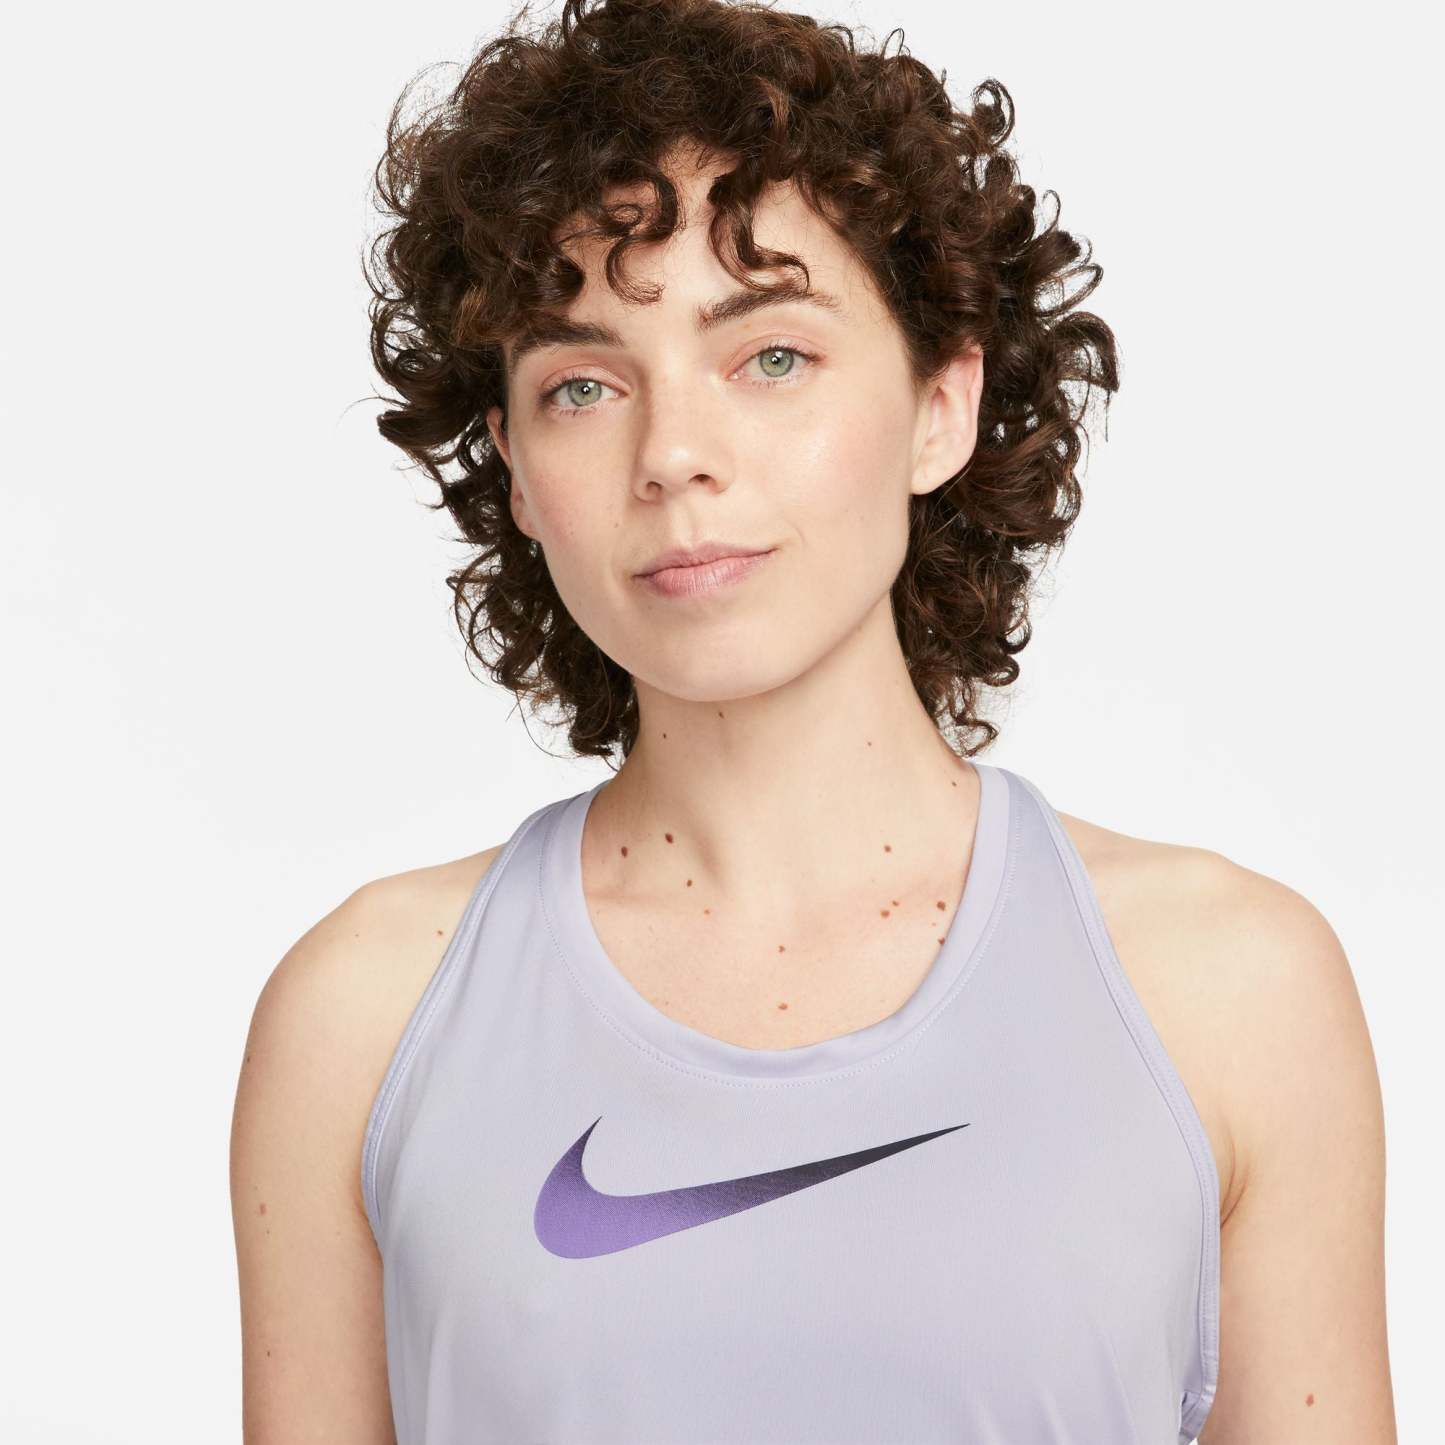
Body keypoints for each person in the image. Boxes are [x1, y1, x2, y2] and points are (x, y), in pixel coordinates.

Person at [229, 1, 1395, 1440]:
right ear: (518, 473)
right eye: (582, 385)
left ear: (940, 403)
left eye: (769, 355)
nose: (673, 454)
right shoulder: (363, 1018)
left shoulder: (1228, 990)